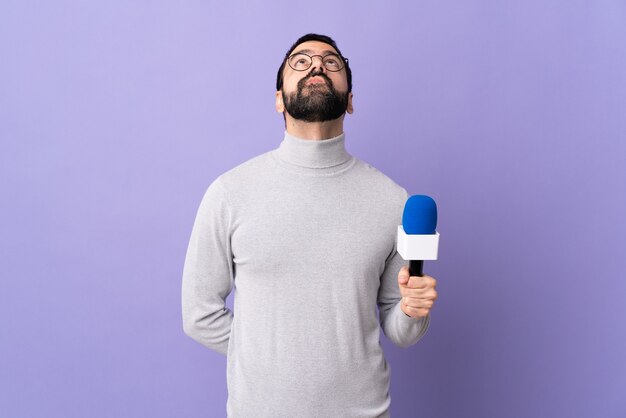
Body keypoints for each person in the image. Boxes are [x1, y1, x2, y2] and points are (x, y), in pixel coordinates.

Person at [181, 33, 438, 418]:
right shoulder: (230, 192)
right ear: (278, 99)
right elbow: (198, 314)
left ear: (350, 100)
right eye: (300, 61)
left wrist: (414, 310)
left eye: (331, 61)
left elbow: (399, 329)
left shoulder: (392, 200)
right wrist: (268, 356)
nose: (317, 64)